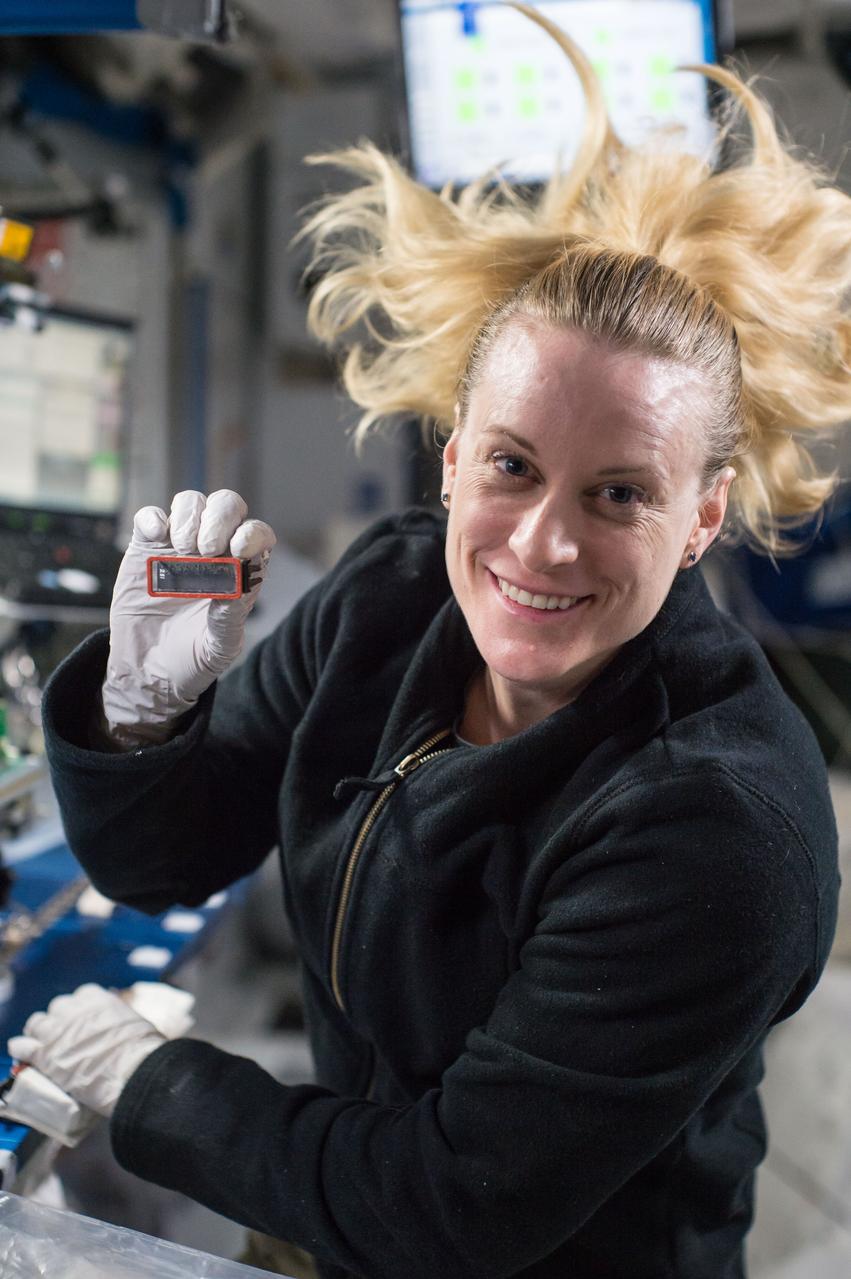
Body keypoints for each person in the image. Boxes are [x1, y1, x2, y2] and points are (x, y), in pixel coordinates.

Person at [9, 7, 851, 1278]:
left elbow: (451, 1210)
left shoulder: (721, 825)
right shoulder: (389, 600)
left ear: (699, 518)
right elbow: (159, 861)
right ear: (453, 461)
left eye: (618, 493)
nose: (543, 544)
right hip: (340, 1198)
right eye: (512, 466)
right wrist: (139, 710)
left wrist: (155, 1084)